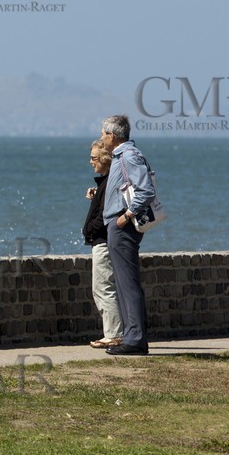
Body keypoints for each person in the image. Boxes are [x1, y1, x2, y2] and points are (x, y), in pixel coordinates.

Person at [99, 114, 154, 355]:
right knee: (123, 283)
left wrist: (125, 216)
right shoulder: (122, 156)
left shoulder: (129, 155)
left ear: (112, 135)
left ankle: (135, 339)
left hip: (123, 227)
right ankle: (133, 337)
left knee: (128, 282)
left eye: (103, 133)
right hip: (118, 226)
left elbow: (146, 191)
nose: (101, 138)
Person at [83, 139, 124, 348]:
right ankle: (115, 333)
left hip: (103, 242)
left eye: (94, 158)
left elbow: (106, 215)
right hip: (103, 241)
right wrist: (95, 194)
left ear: (105, 159)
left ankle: (114, 335)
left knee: (102, 288)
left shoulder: (109, 183)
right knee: (105, 287)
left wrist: (90, 229)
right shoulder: (107, 182)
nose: (91, 162)